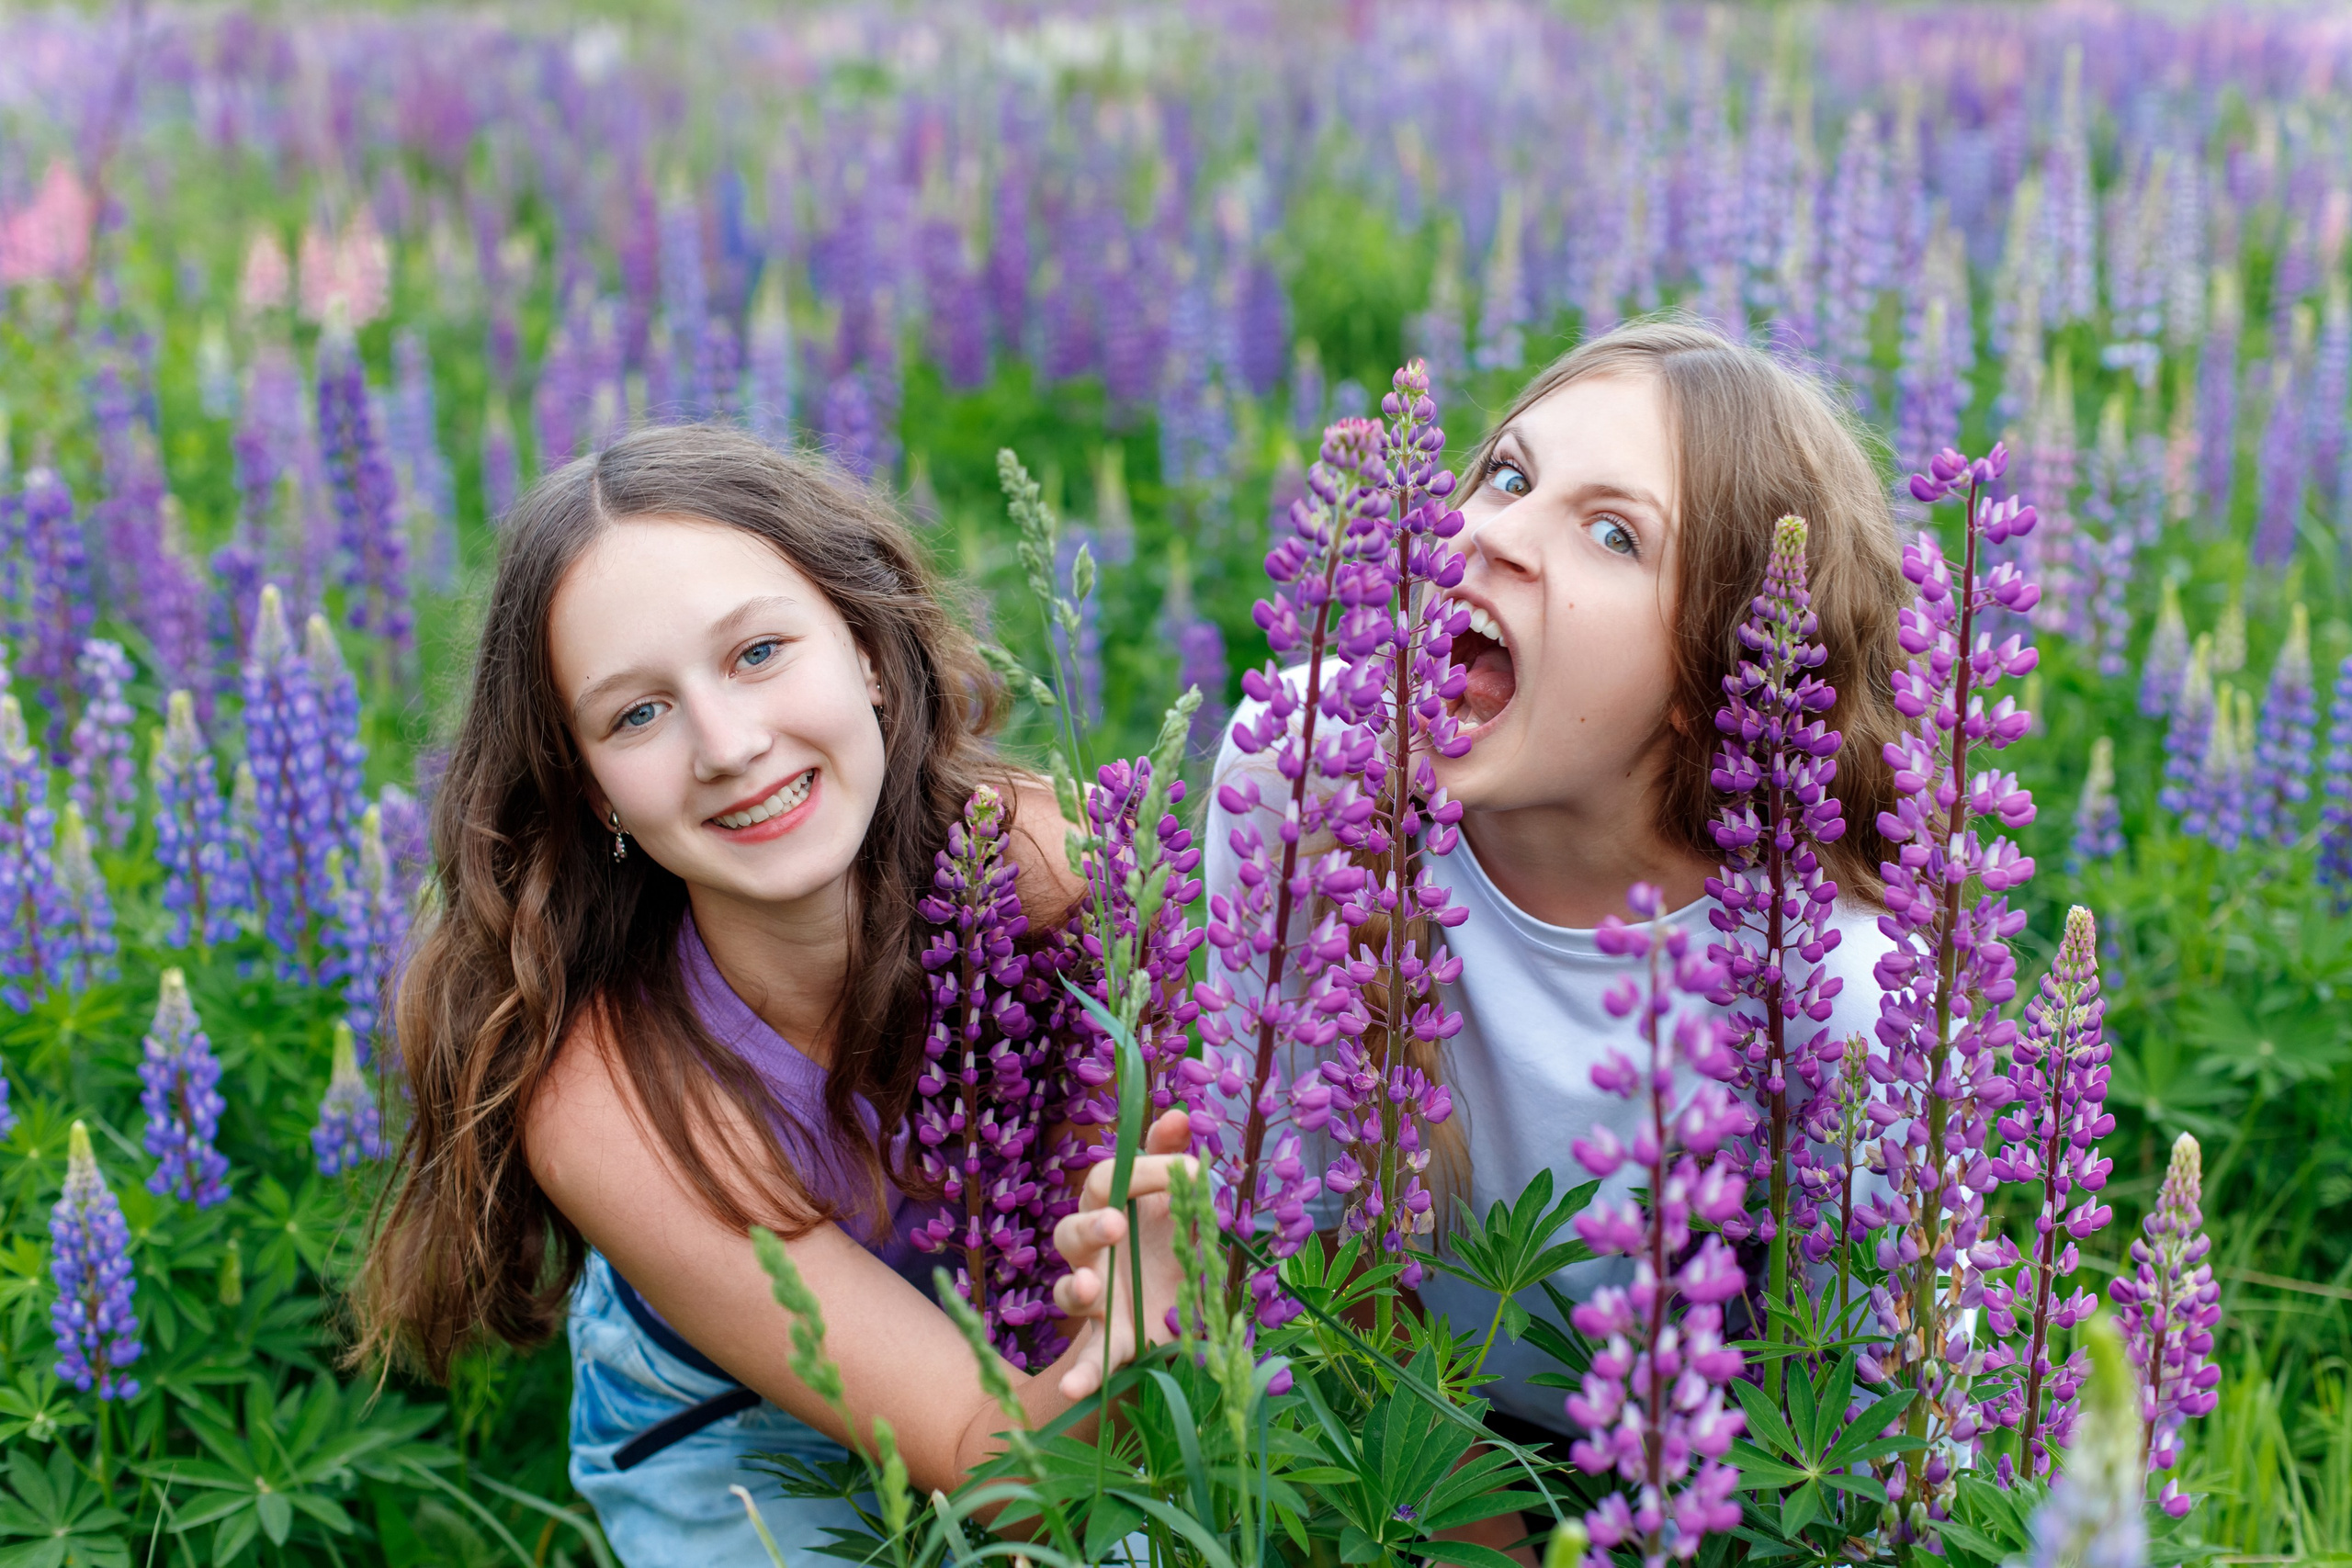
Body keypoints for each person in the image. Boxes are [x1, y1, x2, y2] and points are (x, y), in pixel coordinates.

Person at [356, 424, 1193, 1566]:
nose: (729, 745)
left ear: (863, 647)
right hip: (722, 1426)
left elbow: (1096, 1452)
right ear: (592, 787)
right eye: (636, 714)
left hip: (1034, 1350)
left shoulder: (1055, 876)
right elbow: (1003, 1475)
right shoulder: (610, 1094)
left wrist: (1149, 1288)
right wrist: (1137, 1323)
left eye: (756, 653)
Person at [1206, 317, 1910, 1551]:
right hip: (1385, 1440)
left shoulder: (1829, 985)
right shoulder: (1303, 776)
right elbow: (1280, 1254)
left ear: (1715, 676)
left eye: (1613, 532)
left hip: (1722, 1501)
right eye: (1509, 475)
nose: (1495, 534)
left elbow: (1872, 1443)